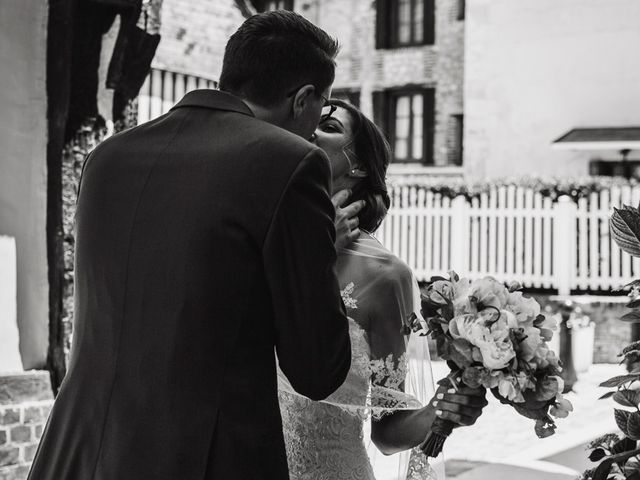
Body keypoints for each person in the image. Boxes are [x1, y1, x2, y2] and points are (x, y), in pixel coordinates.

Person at [29, 12, 357, 480]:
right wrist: (326, 255)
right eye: (322, 109)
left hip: (79, 450)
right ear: (302, 99)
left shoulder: (106, 157)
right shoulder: (290, 162)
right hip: (203, 457)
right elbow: (317, 369)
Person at [277, 100, 488, 480]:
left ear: (357, 165)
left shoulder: (386, 275)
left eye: (326, 125)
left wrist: (441, 410)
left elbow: (388, 434)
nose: (308, 127)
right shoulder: (267, 243)